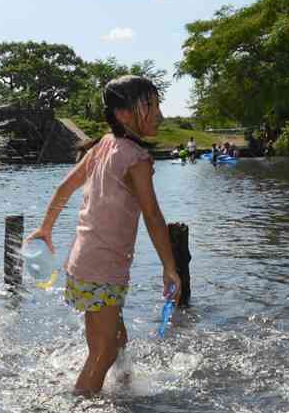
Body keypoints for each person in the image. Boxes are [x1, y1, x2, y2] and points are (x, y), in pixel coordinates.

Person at [25, 75, 181, 395]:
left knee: (115, 338)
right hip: (103, 268)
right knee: (103, 351)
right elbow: (152, 215)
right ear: (124, 115)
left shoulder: (103, 145)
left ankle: (124, 387)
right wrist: (169, 266)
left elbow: (64, 187)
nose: (159, 114)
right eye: (149, 106)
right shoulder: (135, 158)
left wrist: (46, 228)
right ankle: (80, 405)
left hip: (85, 262)